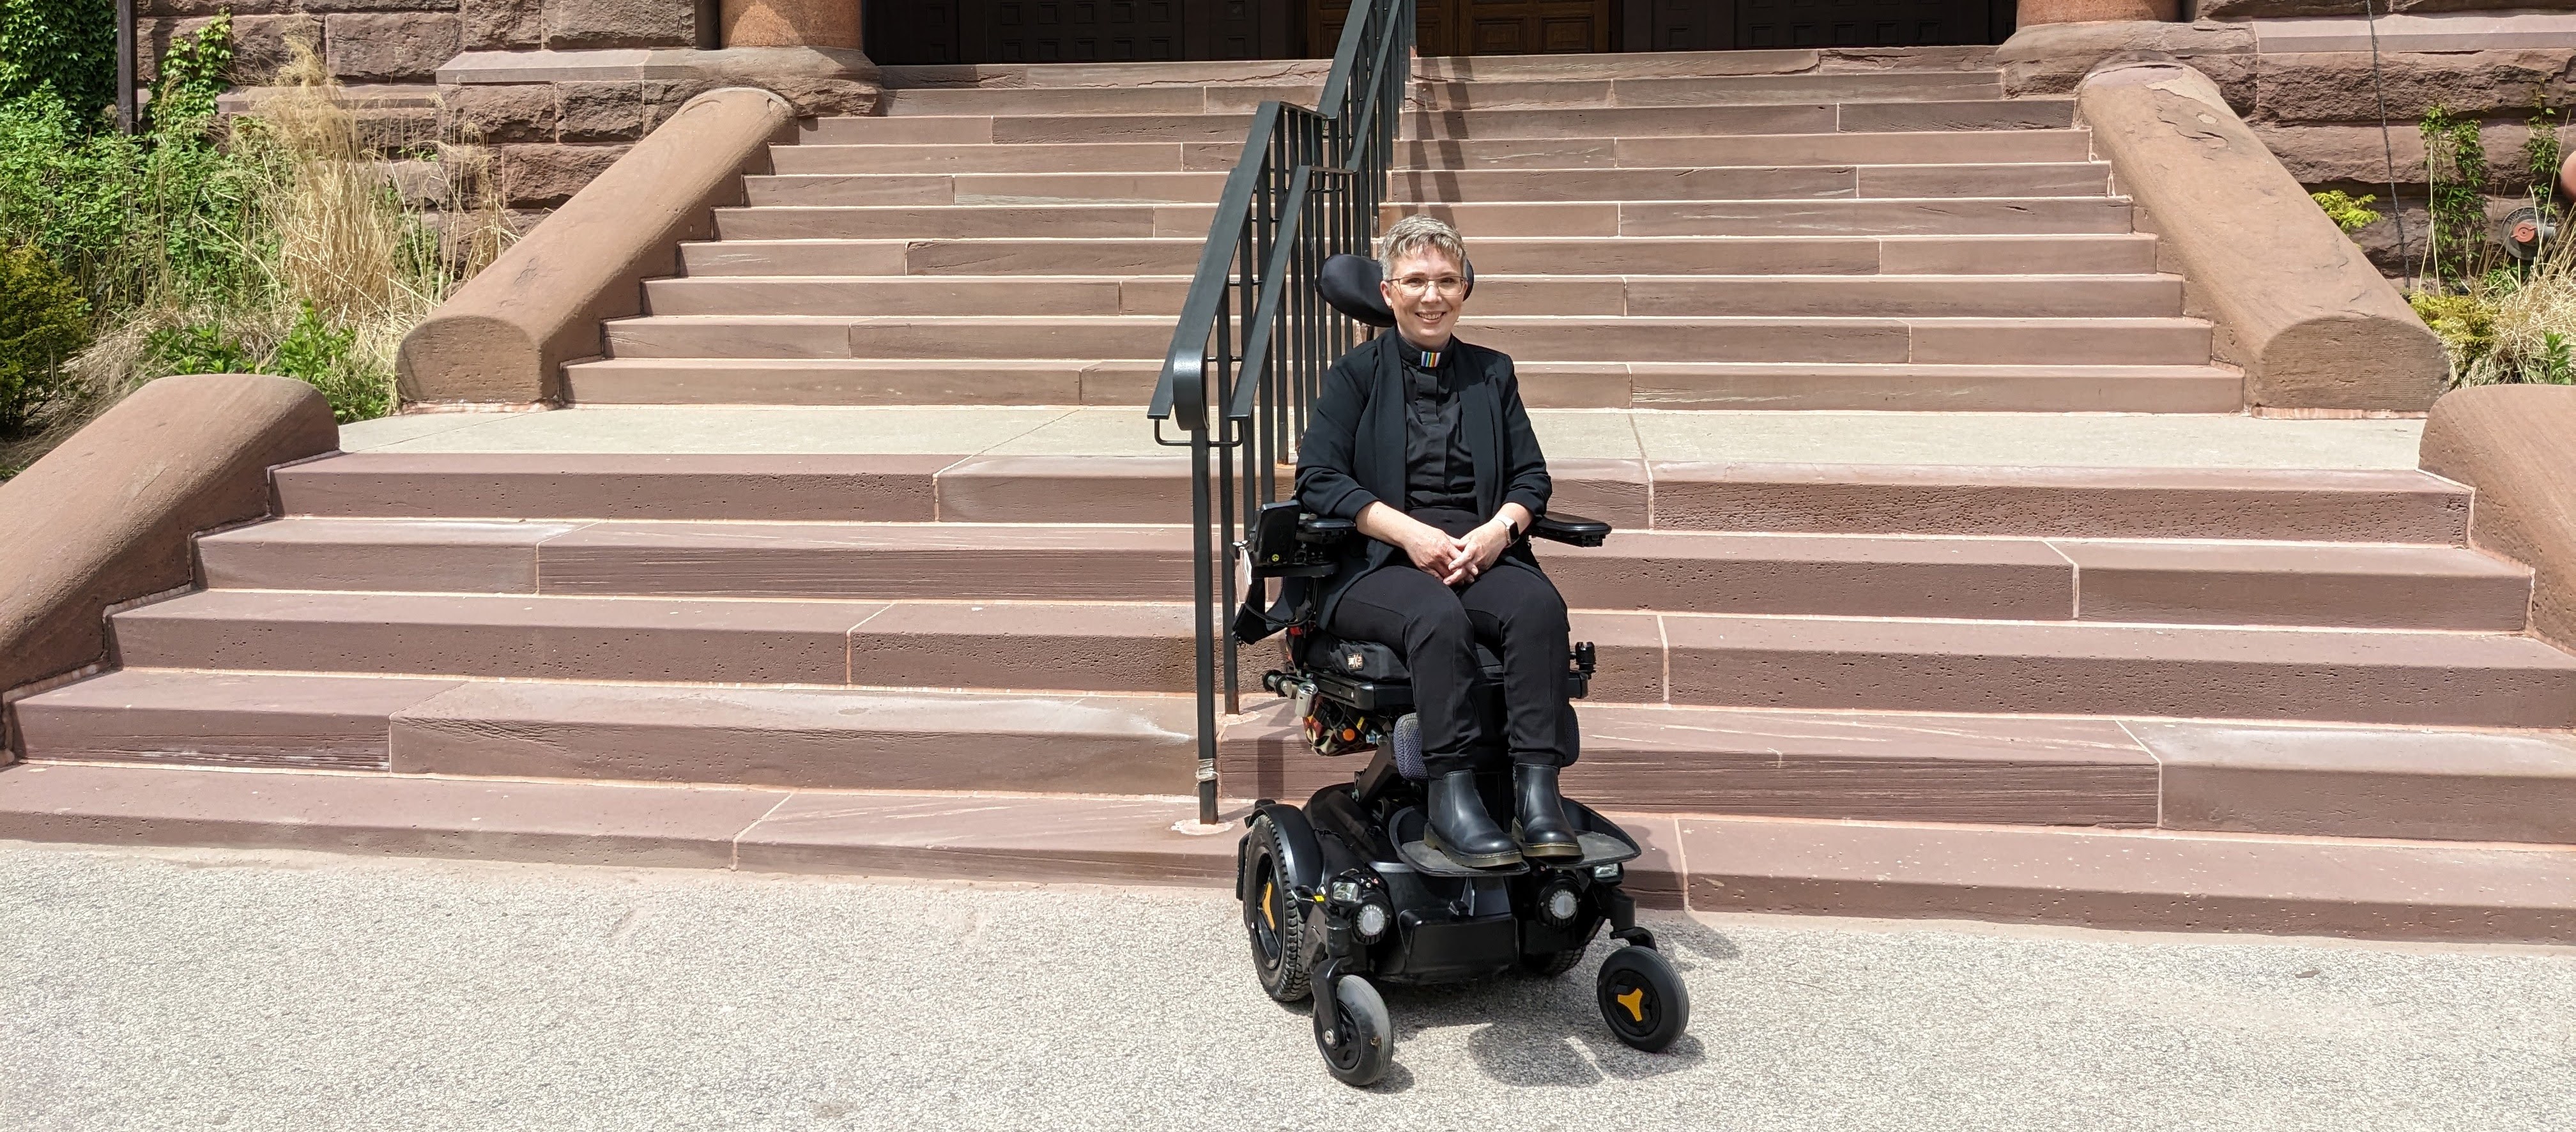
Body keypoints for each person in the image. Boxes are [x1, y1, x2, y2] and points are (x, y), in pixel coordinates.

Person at [1292, 214, 1577, 870]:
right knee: (1435, 616)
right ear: (1388, 291)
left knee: (1538, 608)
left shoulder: (1492, 373)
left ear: (1465, 290)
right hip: (1378, 560)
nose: (1433, 296)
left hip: (1476, 547)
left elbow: (1532, 477)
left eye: (1447, 281)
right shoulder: (1354, 375)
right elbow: (1319, 477)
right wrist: (1411, 533)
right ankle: (1452, 798)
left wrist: (1497, 531)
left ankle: (1538, 793)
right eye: (1416, 280)